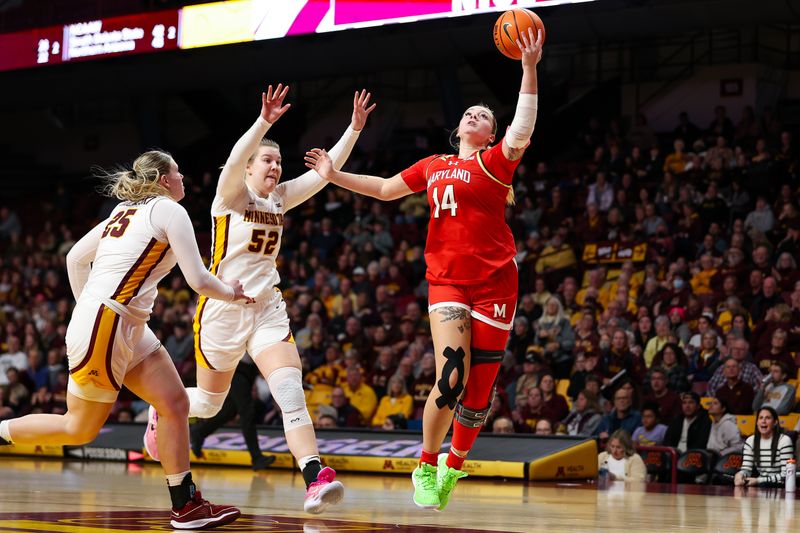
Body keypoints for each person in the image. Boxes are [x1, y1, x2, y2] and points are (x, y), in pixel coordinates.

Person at [304, 29, 543, 511]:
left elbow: (523, 126)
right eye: (471, 113)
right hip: (448, 281)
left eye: (485, 116)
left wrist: (529, 67)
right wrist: (334, 176)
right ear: (459, 127)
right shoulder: (434, 164)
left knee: (478, 396)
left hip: (497, 282)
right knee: (451, 377)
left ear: (490, 135)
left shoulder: (497, 164)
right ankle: (426, 462)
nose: (477, 115)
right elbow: (387, 188)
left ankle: (454, 466)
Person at [146, 85, 376, 514]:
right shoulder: (230, 197)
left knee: (290, 391)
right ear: (250, 168)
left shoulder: (280, 198)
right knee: (210, 402)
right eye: (267, 160)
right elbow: (234, 158)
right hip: (223, 310)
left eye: (279, 161)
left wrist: (354, 130)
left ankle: (314, 476)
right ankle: (161, 411)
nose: (275, 166)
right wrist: (265, 122)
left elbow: (322, 175)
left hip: (268, 308)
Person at [0, 151, 248, 529]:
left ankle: (185, 505)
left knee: (175, 402)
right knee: (79, 428)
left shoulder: (122, 211)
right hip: (109, 323)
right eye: (178, 172)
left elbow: (74, 260)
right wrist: (232, 292)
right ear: (164, 180)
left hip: (121, 323)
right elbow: (197, 280)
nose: (184, 179)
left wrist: (88, 307)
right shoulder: (169, 210)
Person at [190, 356, 276, 471]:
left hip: (246, 373)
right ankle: (257, 458)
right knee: (247, 414)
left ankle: (199, 432)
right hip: (237, 371)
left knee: (229, 412)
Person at [735, 406, 794, 487]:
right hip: (760, 483)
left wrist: (759, 480)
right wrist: (740, 475)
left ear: (775, 422)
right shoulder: (750, 441)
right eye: (761, 418)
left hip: (780, 485)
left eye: (768, 418)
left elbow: (787, 475)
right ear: (757, 422)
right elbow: (746, 469)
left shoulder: (784, 440)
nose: (763, 421)